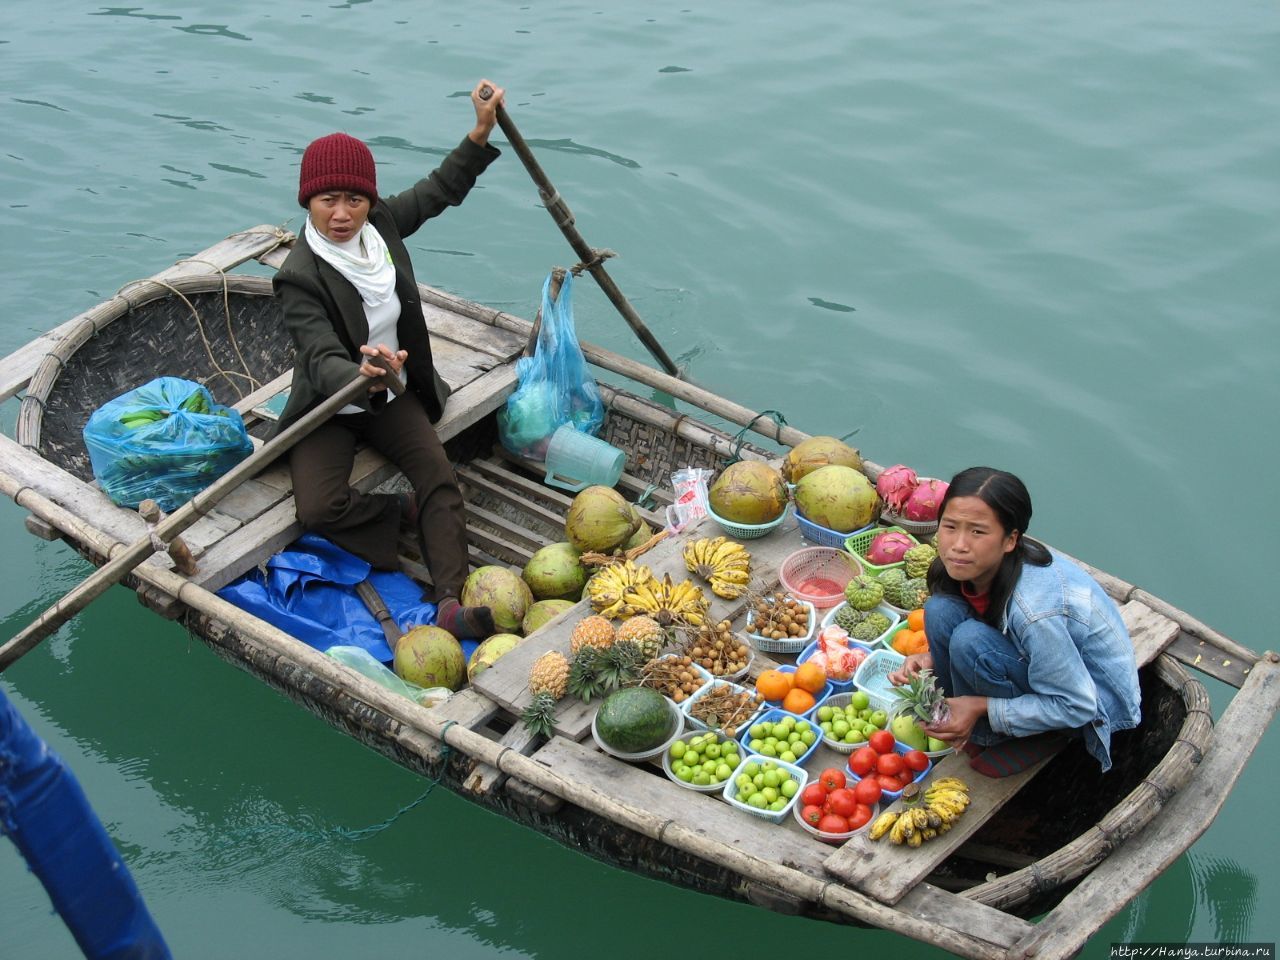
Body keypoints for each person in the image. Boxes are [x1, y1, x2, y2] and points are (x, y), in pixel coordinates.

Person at [272, 79, 505, 641]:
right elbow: (319, 354)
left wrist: (480, 131)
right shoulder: (298, 275)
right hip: (333, 403)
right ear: (308, 201)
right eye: (328, 200)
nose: (342, 213)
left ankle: (449, 600)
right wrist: (360, 375)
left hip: (392, 390)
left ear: (370, 202)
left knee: (439, 476)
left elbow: (437, 190)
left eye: (354, 199)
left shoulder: (381, 229)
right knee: (319, 511)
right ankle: (397, 512)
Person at [888, 467, 1141, 777]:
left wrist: (982, 706)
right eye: (950, 526)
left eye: (978, 532)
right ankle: (968, 720)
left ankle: (1017, 735)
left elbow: (1079, 705)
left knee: (970, 640)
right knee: (940, 610)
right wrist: (929, 658)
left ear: (1010, 540)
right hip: (1037, 666)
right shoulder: (967, 568)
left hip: (1088, 706)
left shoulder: (1036, 612)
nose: (959, 545)